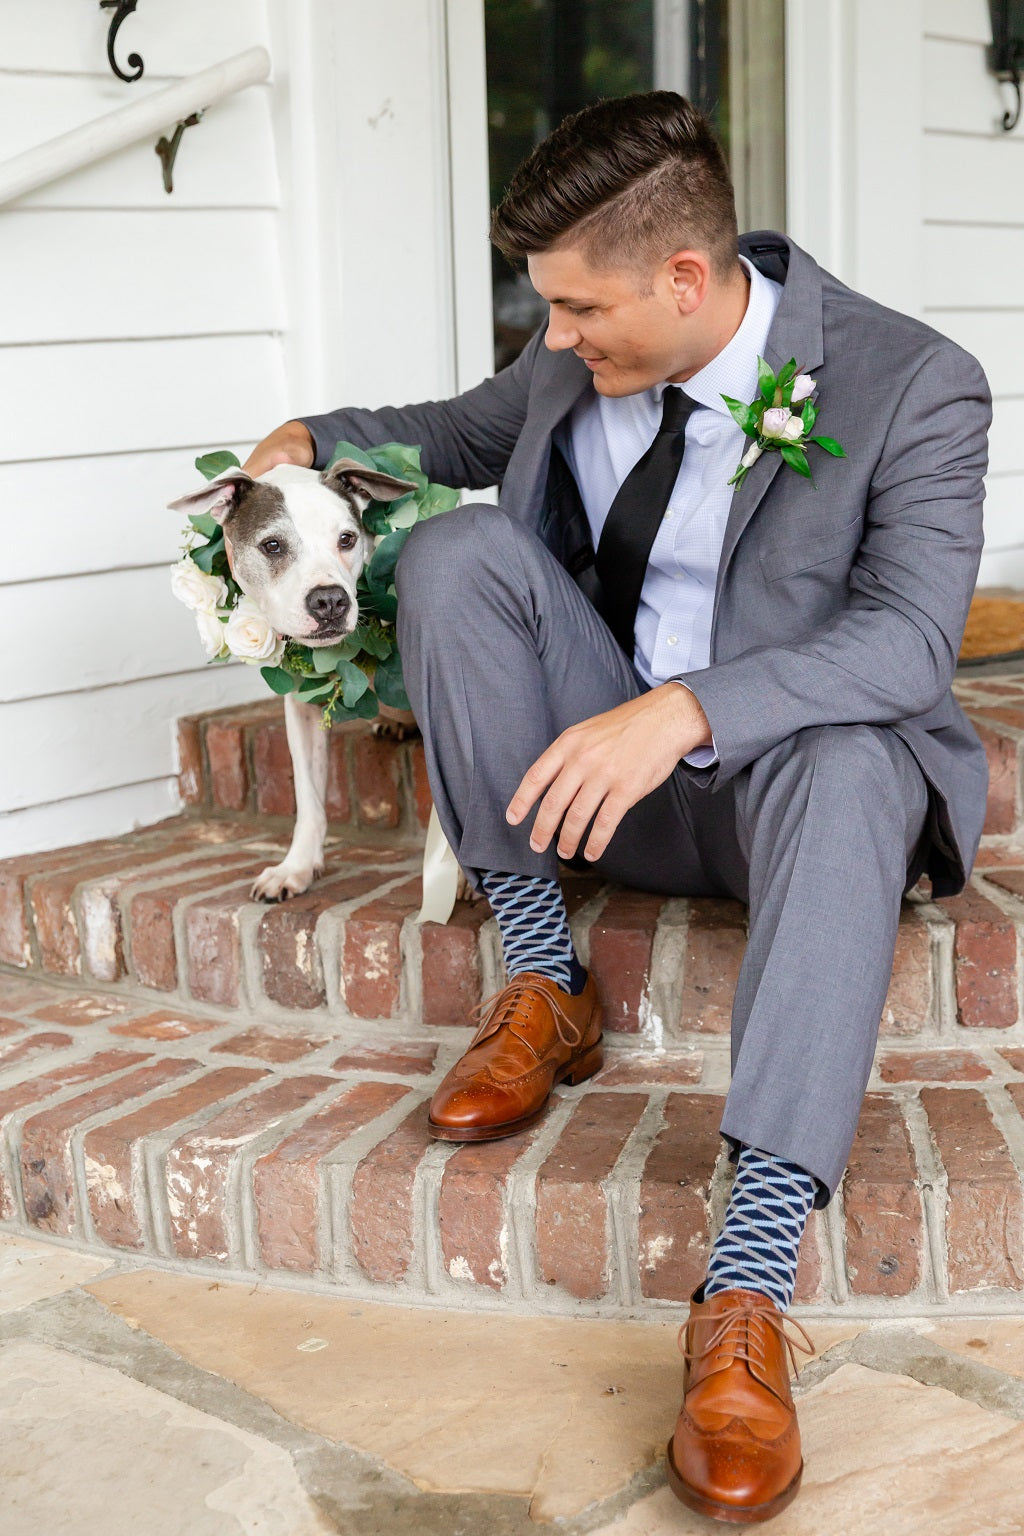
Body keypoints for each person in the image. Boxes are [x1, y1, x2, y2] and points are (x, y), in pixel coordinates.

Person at [243, 91, 991, 1524]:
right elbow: (445, 431)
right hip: (598, 790)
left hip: (786, 788)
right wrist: (306, 431)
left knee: (854, 754)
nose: (558, 343)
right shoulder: (572, 356)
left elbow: (907, 642)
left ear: (688, 281)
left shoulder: (915, 380)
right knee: (458, 552)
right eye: (550, 317)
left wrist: (688, 708)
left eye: (581, 313)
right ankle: (544, 975)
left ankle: (749, 1291)